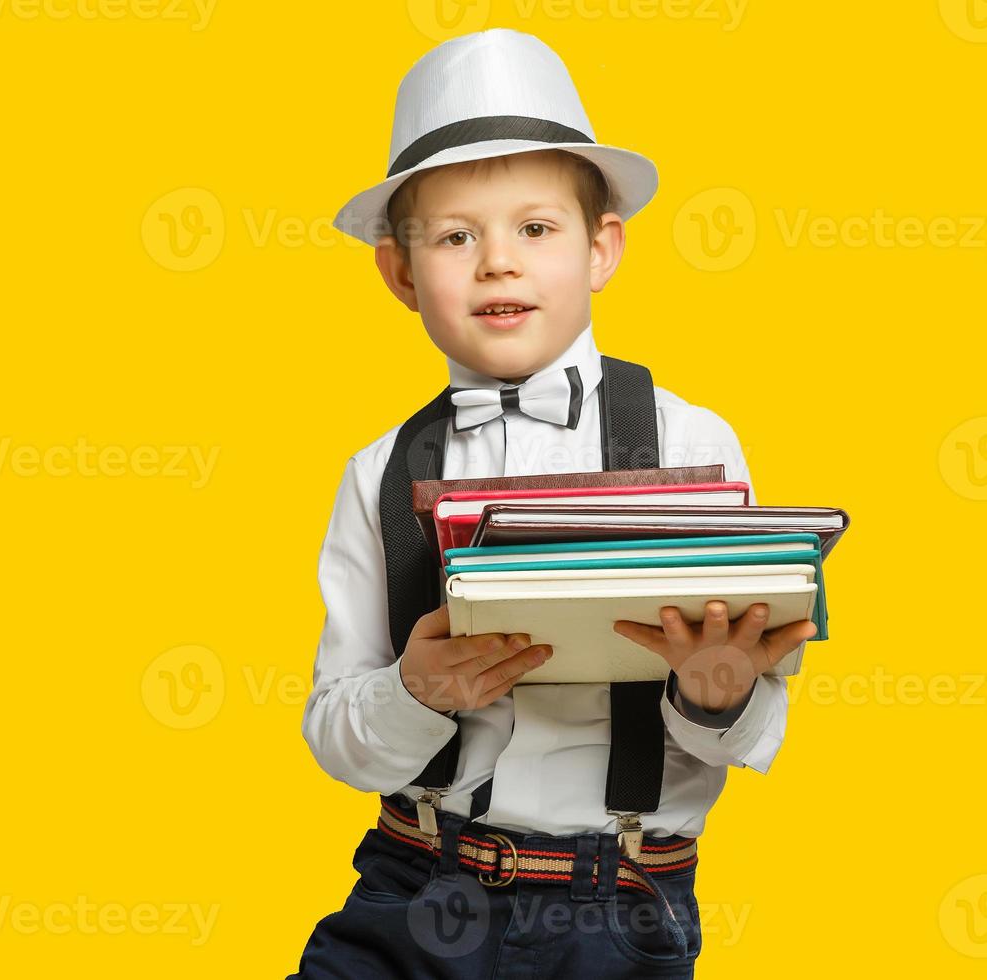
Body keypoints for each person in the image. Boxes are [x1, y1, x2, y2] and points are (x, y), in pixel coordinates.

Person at [288, 28, 816, 979]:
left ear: (601, 248)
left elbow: (754, 723)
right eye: (457, 236)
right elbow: (335, 732)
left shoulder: (693, 443)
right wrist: (415, 694)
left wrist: (718, 689)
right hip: (412, 883)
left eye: (536, 228)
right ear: (402, 275)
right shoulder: (377, 472)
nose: (498, 262)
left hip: (617, 904)